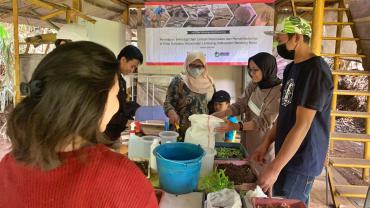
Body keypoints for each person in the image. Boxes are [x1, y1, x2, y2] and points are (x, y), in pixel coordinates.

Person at [0, 42, 157, 208]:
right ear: (93, 102)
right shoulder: (124, 182)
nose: (117, 105)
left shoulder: (7, 169)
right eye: (115, 95)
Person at [251, 16, 333, 206]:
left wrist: (275, 167)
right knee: (278, 199)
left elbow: (303, 125)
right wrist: (266, 144)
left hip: (301, 160)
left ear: (297, 37)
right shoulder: (290, 69)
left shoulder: (316, 71)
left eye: (281, 40)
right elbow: (285, 115)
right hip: (286, 155)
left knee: (287, 202)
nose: (278, 46)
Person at [214, 52, 281, 163]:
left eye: (255, 70)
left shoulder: (278, 93)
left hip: (262, 142)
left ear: (266, 69)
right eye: (250, 69)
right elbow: (242, 104)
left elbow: (264, 121)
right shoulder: (254, 84)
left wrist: (236, 126)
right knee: (246, 165)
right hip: (246, 138)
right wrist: (222, 113)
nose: (251, 73)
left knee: (259, 172)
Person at [164, 51, 215, 141]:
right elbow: (168, 103)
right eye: (192, 65)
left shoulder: (210, 83)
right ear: (187, 64)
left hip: (201, 131)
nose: (196, 69)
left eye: (199, 66)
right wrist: (171, 112)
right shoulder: (179, 80)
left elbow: (212, 106)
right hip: (180, 130)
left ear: (204, 66)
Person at [105, 45, 143, 140]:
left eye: (135, 67)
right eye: (132, 66)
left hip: (114, 132)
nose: (132, 70)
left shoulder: (121, 81)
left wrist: (135, 108)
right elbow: (107, 109)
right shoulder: (110, 79)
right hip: (106, 132)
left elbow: (121, 105)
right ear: (123, 60)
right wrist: (125, 121)